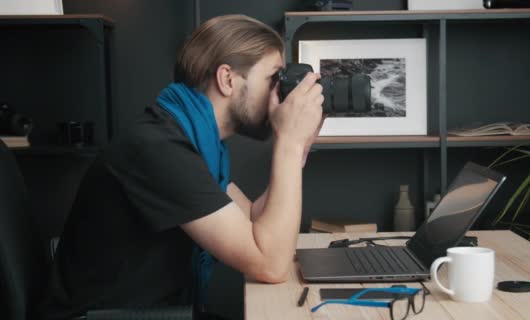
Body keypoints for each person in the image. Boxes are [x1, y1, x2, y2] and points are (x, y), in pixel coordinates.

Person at [38, 14, 324, 319]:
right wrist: (288, 146)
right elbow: (271, 263)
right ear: (227, 79)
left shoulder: (191, 138)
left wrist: (299, 145)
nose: (279, 94)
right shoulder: (158, 148)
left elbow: (255, 219)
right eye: (273, 79)